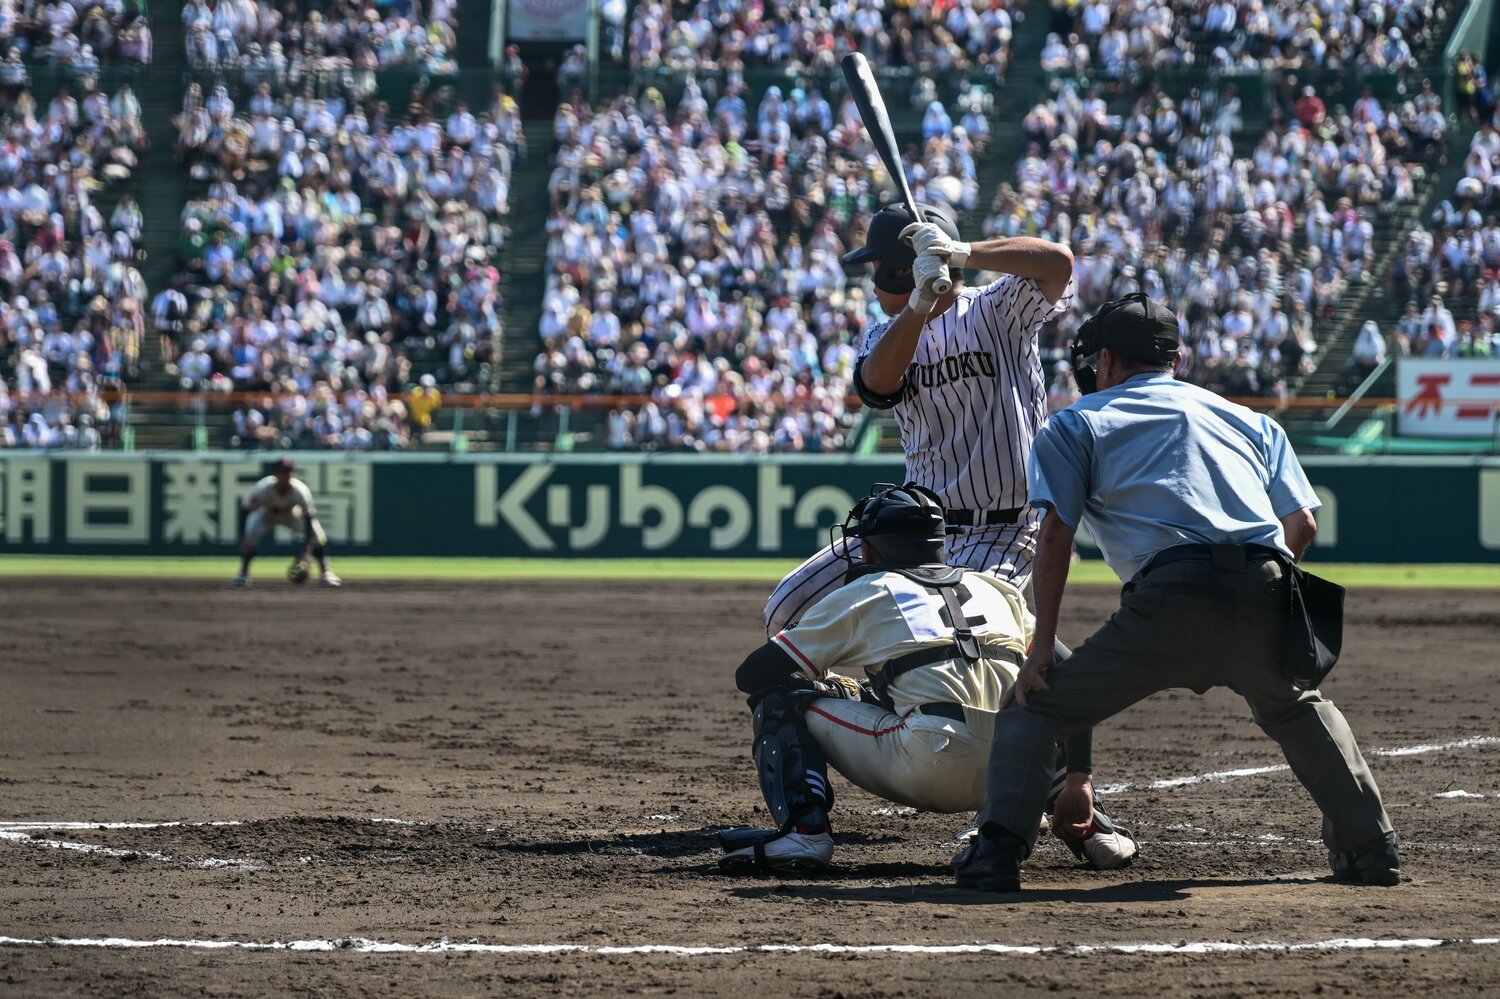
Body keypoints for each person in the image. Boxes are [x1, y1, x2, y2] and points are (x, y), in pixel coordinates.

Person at [952, 293, 1399, 892]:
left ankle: (996, 855)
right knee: (1297, 707)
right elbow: (1304, 526)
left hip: (1167, 597)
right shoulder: (1249, 419)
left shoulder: (1079, 421)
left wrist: (1039, 651)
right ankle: (1372, 850)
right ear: (1177, 359)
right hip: (1265, 584)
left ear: (1105, 361)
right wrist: (1257, 594)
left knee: (1036, 709)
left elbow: (1056, 533)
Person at [759, 202, 1139, 870]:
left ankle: (1068, 794)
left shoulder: (995, 311)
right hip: (916, 534)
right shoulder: (885, 329)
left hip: (1004, 528)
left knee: (989, 653)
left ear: (897, 266)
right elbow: (877, 385)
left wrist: (962, 251)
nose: (872, 283)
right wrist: (918, 307)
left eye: (878, 271)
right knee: (787, 611)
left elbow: (1058, 264)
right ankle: (875, 701)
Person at [720, 484, 1135, 874]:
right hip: (1014, 771)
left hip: (927, 762)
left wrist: (830, 687)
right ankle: (1095, 828)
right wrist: (1081, 774)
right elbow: (1069, 676)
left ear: (867, 547)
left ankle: (804, 835)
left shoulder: (868, 591)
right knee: (1033, 713)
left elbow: (753, 674)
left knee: (778, 697)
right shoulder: (996, 588)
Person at [234, 458, 342, 588]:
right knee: (251, 535)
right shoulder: (263, 488)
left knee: (316, 534)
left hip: (291, 514)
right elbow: (245, 512)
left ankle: (326, 573)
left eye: (289, 472)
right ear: (275, 474)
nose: (286, 475)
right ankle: (243, 573)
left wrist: (307, 553)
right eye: (283, 472)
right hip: (267, 514)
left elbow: (308, 518)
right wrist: (242, 539)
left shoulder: (301, 490)